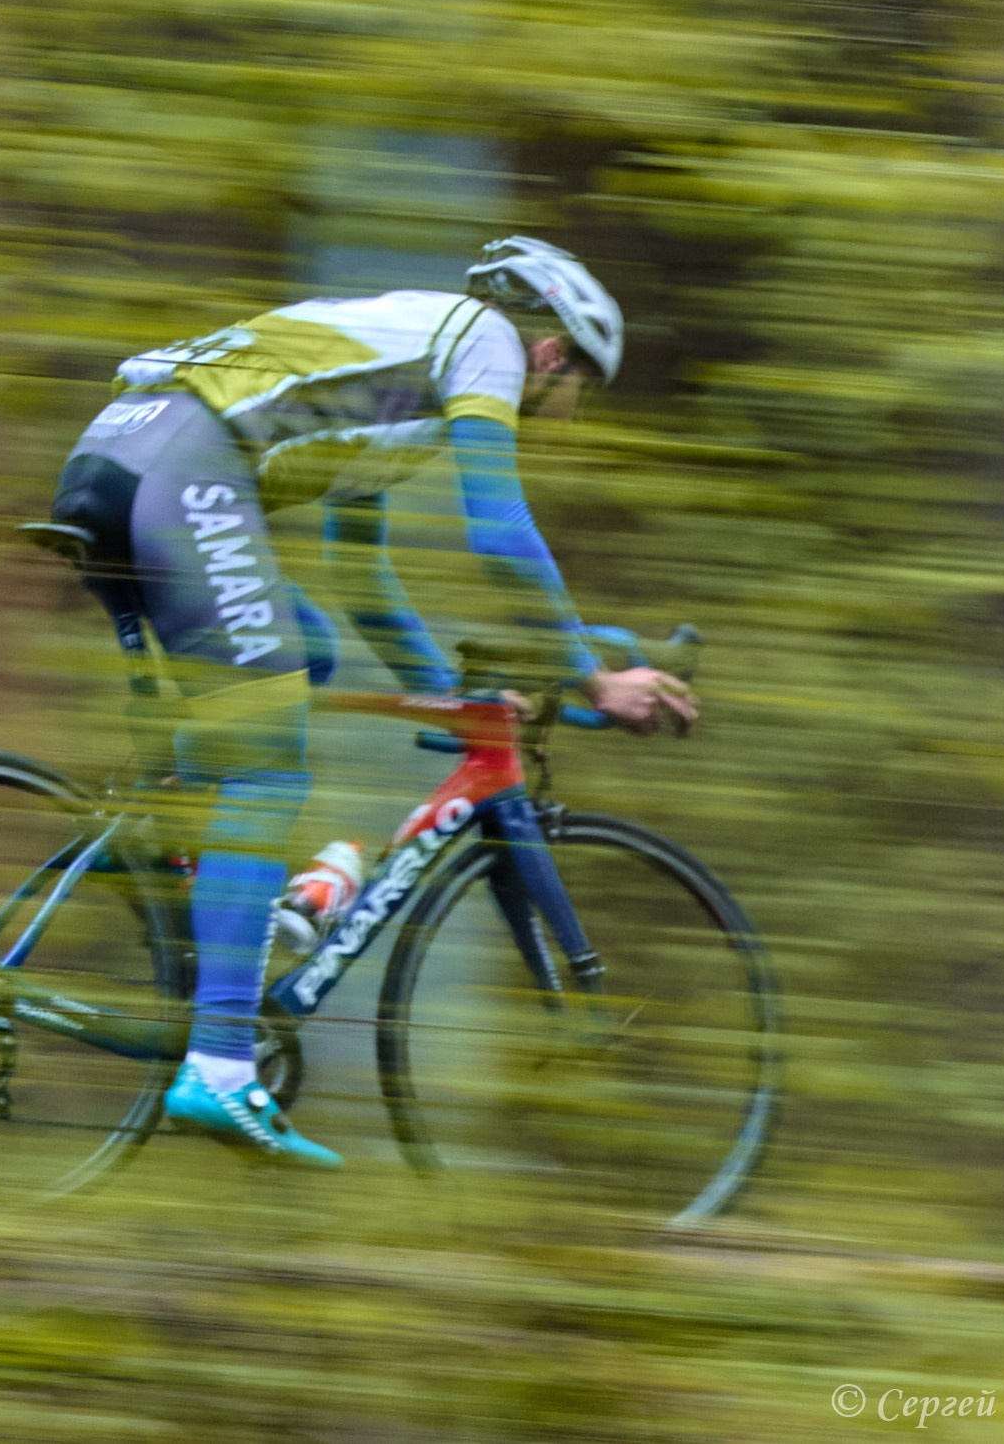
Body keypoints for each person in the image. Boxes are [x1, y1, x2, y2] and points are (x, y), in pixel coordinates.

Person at [46, 236, 697, 1165]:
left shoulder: (408, 375)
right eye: (575, 394)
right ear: (554, 353)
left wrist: (448, 698)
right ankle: (222, 1069)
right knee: (267, 769)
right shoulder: (486, 343)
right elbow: (501, 534)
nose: (565, 414)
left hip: (123, 457)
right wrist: (594, 674)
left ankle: (181, 869)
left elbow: (362, 573)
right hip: (180, 470)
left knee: (297, 652)